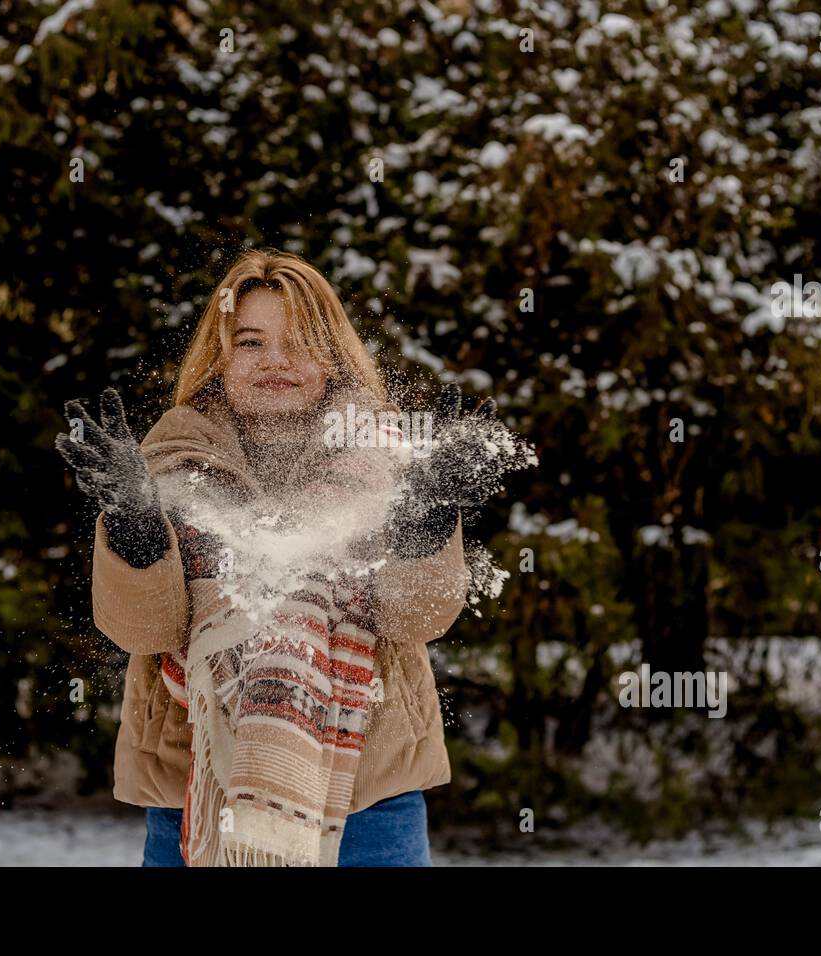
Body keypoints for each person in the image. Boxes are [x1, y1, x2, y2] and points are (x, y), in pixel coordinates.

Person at [56, 248, 504, 866]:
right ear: (219, 356)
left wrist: (424, 523)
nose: (276, 362)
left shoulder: (386, 459)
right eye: (250, 342)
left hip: (367, 804)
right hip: (195, 794)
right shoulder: (166, 460)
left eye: (299, 341)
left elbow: (416, 620)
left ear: (332, 353)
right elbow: (141, 628)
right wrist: (136, 529)